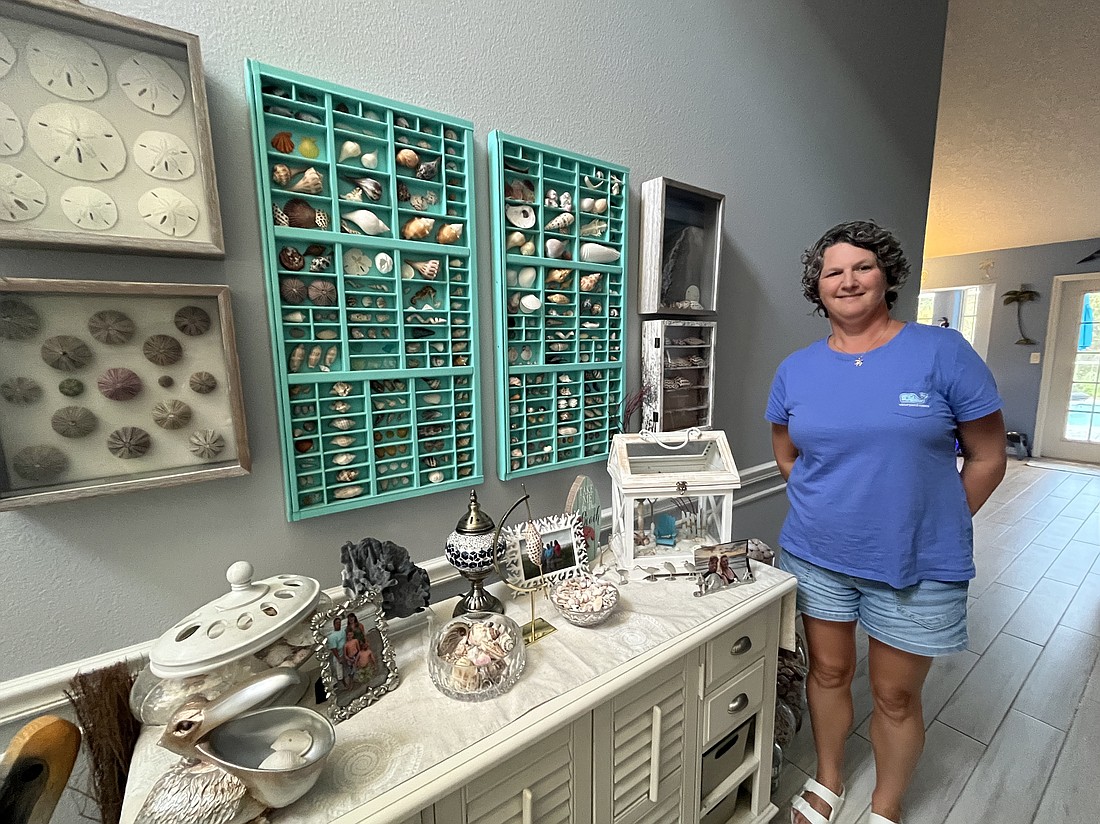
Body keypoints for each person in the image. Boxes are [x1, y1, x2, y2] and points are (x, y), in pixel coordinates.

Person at [765, 221, 1006, 824]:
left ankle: (887, 804)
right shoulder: (797, 369)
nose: (847, 280)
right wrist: (832, 509)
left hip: (916, 564)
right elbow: (786, 452)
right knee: (827, 670)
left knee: (896, 696)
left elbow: (988, 456)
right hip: (817, 556)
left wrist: (931, 524)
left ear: (887, 275)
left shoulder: (941, 352)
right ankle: (827, 780)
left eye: (862, 267)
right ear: (816, 288)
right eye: (832, 271)